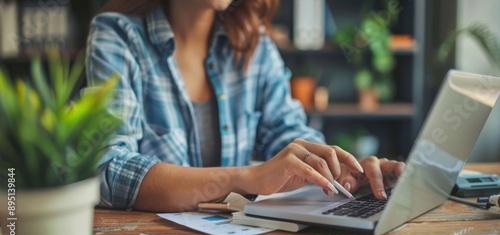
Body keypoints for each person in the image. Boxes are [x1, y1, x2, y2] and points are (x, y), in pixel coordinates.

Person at [85, 0, 405, 213]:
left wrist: (337, 170)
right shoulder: (118, 35)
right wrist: (247, 177)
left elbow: (289, 135)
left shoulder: (256, 46)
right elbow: (106, 168)